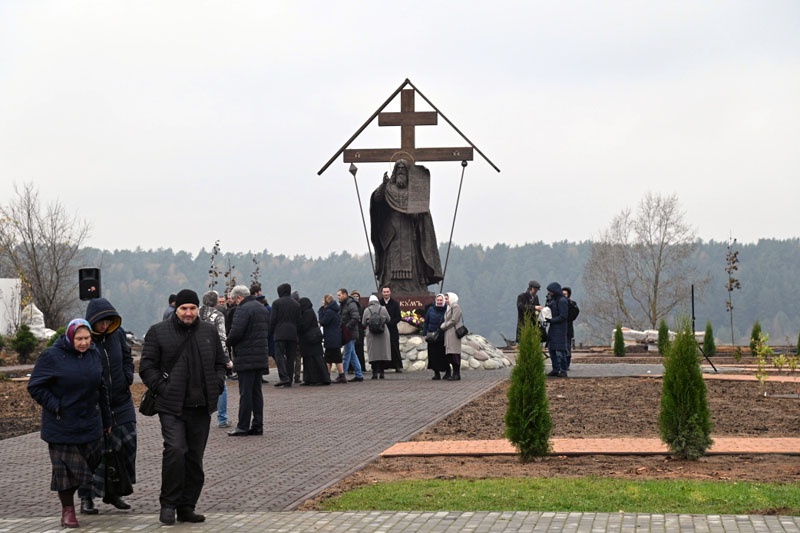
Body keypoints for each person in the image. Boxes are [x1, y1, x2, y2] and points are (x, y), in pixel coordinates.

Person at [139, 289, 227, 525]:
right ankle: (168, 503)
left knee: (194, 458)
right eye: (184, 308)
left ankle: (187, 506)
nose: (188, 313)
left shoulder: (208, 332)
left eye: (192, 308)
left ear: (198, 309)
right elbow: (147, 367)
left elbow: (220, 362)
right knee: (176, 451)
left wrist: (217, 384)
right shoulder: (158, 332)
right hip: (171, 406)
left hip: (201, 406)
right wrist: (163, 387)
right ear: (176, 309)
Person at [28, 318, 111, 529]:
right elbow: (35, 386)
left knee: (91, 461)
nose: (83, 343)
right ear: (69, 336)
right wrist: (56, 405)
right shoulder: (52, 356)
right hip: (61, 423)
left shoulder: (94, 354)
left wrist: (106, 418)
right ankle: (68, 511)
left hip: (90, 421)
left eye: (87, 338)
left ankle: (75, 497)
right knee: (64, 470)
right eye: (79, 338)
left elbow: (101, 388)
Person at [79, 299, 136, 514]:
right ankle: (87, 496)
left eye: (108, 322)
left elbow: (127, 356)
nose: (104, 326)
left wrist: (127, 376)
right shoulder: (85, 339)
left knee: (126, 446)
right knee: (93, 453)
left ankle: (115, 491)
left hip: (121, 400)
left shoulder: (117, 334)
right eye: (100, 322)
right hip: (94, 404)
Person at [370, 159, 443, 294]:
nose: (401, 171)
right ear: (395, 172)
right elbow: (377, 200)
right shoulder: (388, 188)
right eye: (399, 169)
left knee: (413, 258)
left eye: (404, 169)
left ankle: (414, 286)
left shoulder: (414, 192)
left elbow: (423, 212)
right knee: (392, 258)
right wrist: (383, 185)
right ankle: (389, 286)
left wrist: (417, 214)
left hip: (410, 231)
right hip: (392, 232)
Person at [226, 285, 270, 436]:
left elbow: (236, 332)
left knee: (245, 393)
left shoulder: (243, 310)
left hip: (246, 356)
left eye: (233, 299)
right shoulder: (261, 308)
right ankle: (258, 424)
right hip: (260, 355)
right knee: (256, 392)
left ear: (239, 297)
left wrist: (227, 342)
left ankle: (243, 425)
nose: (233, 302)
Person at [199, 290, 233, 428]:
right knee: (221, 385)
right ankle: (222, 418)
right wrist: (226, 358)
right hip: (213, 354)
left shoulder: (197, 314)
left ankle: (202, 416)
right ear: (215, 302)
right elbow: (221, 337)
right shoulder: (218, 315)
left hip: (197, 354)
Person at [269, 282, 300, 387]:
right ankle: (289, 379)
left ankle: (284, 377)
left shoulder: (276, 303)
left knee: (279, 355)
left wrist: (270, 332)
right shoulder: (296, 304)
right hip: (293, 333)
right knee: (291, 357)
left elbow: (273, 320)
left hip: (280, 333)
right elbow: (299, 320)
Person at [297, 297, 331, 385]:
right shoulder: (309, 312)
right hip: (311, 340)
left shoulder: (307, 313)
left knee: (315, 360)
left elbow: (304, 325)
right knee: (310, 360)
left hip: (310, 340)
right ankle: (311, 379)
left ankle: (320, 379)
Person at [362, 294, 392, 379]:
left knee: (373, 354)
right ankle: (382, 373)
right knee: (382, 353)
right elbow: (389, 319)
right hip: (383, 333)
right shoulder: (383, 309)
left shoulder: (367, 310)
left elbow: (363, 323)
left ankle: (374, 373)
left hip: (371, 334)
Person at [337, 288, 364, 382]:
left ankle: (342, 374)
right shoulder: (344, 305)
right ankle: (359, 374)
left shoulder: (351, 304)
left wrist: (346, 327)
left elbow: (356, 317)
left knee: (346, 354)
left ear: (345, 294)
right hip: (348, 333)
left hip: (350, 333)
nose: (338, 297)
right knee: (352, 354)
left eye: (339, 295)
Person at [545, 282, 570, 378]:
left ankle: (563, 370)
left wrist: (552, 320)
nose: (549, 293)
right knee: (552, 349)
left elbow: (563, 316)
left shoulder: (562, 301)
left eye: (550, 291)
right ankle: (555, 369)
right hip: (553, 328)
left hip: (560, 329)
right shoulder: (554, 300)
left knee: (560, 350)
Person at [318, 294, 344, 381]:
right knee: (335, 357)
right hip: (335, 336)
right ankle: (340, 375)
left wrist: (321, 311)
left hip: (330, 337)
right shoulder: (335, 310)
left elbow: (323, 321)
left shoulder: (329, 312)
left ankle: (328, 375)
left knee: (330, 357)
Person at [423, 293, 449, 380]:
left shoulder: (447, 310)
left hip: (443, 336)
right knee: (433, 355)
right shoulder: (430, 309)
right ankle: (436, 373)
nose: (439, 301)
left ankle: (447, 372)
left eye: (441, 300)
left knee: (444, 355)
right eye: (438, 300)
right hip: (432, 336)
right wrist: (425, 333)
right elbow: (426, 322)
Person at [439, 292, 464, 381]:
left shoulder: (455, 306)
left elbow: (454, 319)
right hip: (448, 333)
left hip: (453, 332)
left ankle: (457, 373)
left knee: (455, 353)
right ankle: (454, 373)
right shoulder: (449, 307)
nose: (445, 300)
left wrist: (444, 325)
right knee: (450, 354)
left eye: (447, 298)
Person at [380, 286, 403, 372]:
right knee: (383, 348)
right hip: (382, 329)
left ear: (390, 292)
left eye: (387, 292)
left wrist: (390, 323)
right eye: (384, 292)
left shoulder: (395, 303)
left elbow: (398, 317)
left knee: (394, 347)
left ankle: (397, 366)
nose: (386, 293)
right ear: (382, 293)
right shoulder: (379, 303)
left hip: (392, 329)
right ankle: (383, 367)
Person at [351, 290, 367, 372]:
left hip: (360, 330)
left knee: (360, 350)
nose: (356, 298)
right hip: (351, 330)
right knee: (351, 350)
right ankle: (351, 368)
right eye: (354, 296)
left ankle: (362, 367)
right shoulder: (349, 306)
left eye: (357, 296)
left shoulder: (362, 307)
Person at [562, 286, 578, 371]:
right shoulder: (558, 303)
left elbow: (574, 314)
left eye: (565, 294)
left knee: (567, 347)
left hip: (568, 329)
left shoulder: (572, 303)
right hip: (560, 329)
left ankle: (566, 364)